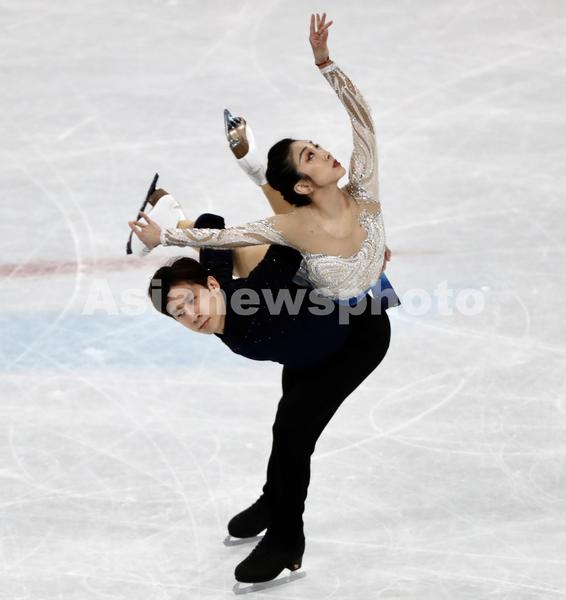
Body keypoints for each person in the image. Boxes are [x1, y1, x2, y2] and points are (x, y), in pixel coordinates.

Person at [149, 211, 395, 583]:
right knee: (288, 430)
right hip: (305, 351)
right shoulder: (217, 290)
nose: (192, 315)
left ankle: (285, 540)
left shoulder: (256, 293)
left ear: (211, 286)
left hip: (356, 338)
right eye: (178, 313)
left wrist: (357, 247)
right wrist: (184, 232)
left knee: (292, 434)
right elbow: (212, 222)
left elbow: (292, 243)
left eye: (191, 300)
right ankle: (273, 500)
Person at [129, 13, 390, 307]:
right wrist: (164, 236)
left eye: (317, 147)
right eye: (311, 156)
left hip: (363, 291)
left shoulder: (364, 188)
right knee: (240, 260)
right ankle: (176, 217)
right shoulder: (293, 225)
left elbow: (362, 119)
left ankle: (257, 171)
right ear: (303, 185)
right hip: (305, 298)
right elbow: (225, 238)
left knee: (306, 218)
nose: (325, 153)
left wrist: (325, 63)